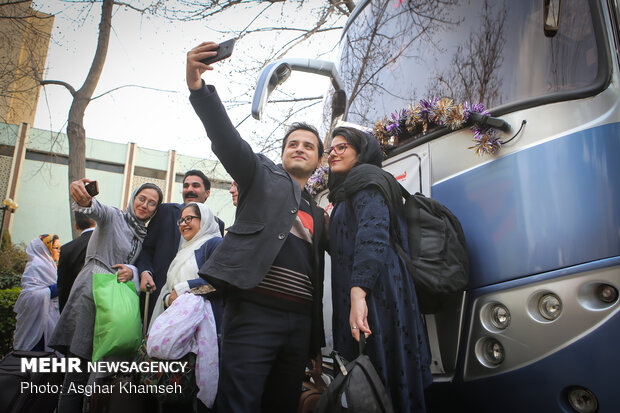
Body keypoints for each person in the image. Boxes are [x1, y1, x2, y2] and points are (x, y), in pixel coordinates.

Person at [186, 40, 327, 413]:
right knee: (240, 405)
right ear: (282, 153)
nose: (299, 148)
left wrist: (314, 340)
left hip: (298, 325)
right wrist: (198, 88)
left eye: (309, 146)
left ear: (318, 159)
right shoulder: (259, 174)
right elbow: (225, 138)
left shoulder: (319, 209)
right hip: (253, 315)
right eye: (292, 143)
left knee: (281, 405)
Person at [326, 126, 432, 413]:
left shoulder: (366, 179)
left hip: (376, 291)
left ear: (360, 152)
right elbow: (348, 244)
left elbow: (374, 233)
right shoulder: (348, 190)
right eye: (330, 149)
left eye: (341, 147)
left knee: (378, 375)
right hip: (368, 287)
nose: (332, 153)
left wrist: (359, 295)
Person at [49, 178, 163, 413]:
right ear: (133, 198)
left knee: (103, 374)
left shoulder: (143, 235)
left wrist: (132, 272)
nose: (145, 205)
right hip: (92, 294)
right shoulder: (113, 216)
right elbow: (92, 208)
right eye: (142, 198)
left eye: (152, 203)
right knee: (78, 370)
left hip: (116, 304)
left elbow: (136, 265)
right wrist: (81, 194)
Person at [148, 202, 222, 412]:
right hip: (177, 331)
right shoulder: (183, 251)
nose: (183, 224)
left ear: (204, 220)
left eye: (190, 218)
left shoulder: (214, 244)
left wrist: (184, 289)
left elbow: (219, 281)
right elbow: (168, 291)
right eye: (181, 220)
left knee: (195, 393)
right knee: (175, 392)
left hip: (203, 331)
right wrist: (167, 300)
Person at [136, 169, 224, 324]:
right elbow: (147, 248)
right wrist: (145, 271)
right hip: (159, 295)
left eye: (195, 185)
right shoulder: (165, 211)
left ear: (207, 193)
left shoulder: (215, 226)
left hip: (195, 307)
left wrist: (186, 289)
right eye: (186, 185)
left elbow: (216, 274)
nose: (189, 189)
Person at [13, 234, 61, 352]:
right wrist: (56, 288)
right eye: (55, 248)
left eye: (60, 248)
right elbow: (29, 295)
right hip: (35, 319)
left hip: (51, 317)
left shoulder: (53, 266)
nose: (59, 251)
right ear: (43, 249)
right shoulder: (35, 266)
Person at [57, 212, 96, 312]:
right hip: (102, 304)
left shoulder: (66, 249)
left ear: (76, 226)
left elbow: (63, 286)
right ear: (95, 222)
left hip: (75, 306)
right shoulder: (107, 243)